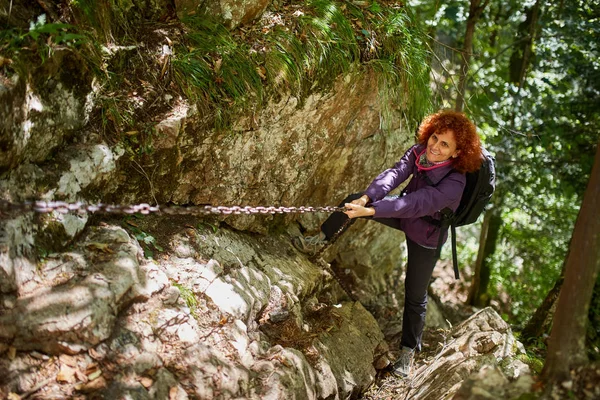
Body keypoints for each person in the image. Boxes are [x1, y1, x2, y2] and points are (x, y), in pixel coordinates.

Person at [293, 110, 483, 378]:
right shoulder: (419, 152)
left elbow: (417, 203)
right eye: (435, 138)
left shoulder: (455, 183)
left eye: (445, 144)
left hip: (426, 235)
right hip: (401, 215)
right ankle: (319, 241)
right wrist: (367, 199)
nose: (435, 147)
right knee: (352, 199)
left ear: (456, 152)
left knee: (415, 294)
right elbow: (395, 173)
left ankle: (408, 351)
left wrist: (371, 211)